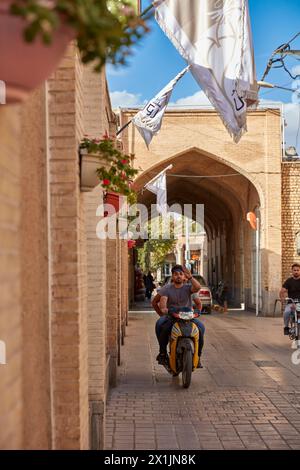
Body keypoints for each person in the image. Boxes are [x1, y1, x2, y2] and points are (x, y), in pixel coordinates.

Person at [152, 264, 205, 367]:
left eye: (181, 274)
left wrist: (190, 277)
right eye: (176, 274)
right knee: (160, 325)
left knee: (201, 328)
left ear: (184, 276)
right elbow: (158, 303)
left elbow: (198, 288)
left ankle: (198, 356)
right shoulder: (167, 288)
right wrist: (162, 313)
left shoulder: (189, 288)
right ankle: (162, 353)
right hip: (172, 317)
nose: (178, 276)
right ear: (172, 276)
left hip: (188, 318)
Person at [280, 263, 300, 335]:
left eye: (298, 270)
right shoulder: (289, 281)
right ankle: (286, 327)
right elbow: (282, 291)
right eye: (294, 270)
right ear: (292, 271)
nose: (296, 271)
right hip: (291, 303)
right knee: (286, 312)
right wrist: (283, 298)